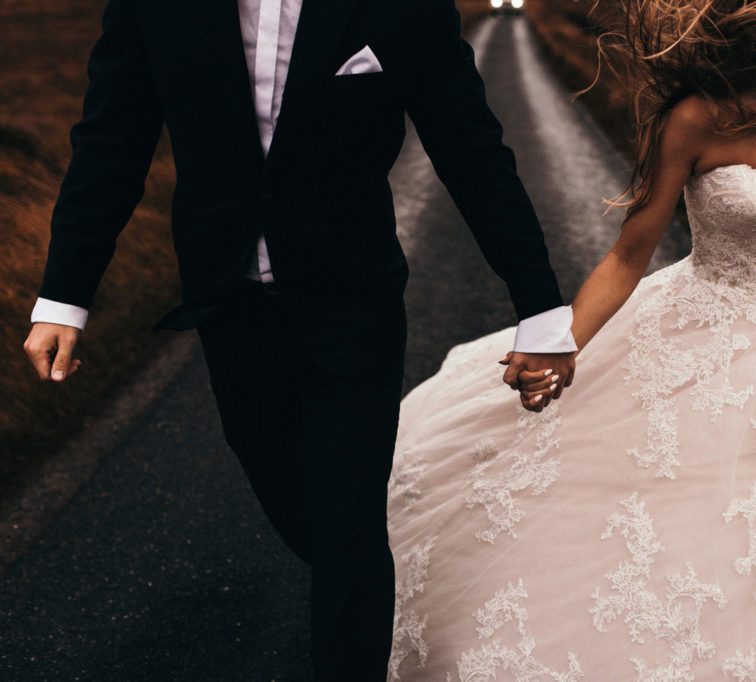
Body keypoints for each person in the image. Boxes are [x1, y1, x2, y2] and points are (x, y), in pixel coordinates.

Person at [21, 0, 578, 678]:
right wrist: (65, 296)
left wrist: (540, 308)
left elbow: (471, 150)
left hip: (354, 302)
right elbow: (113, 139)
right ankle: (363, 575)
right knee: (293, 498)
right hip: (228, 302)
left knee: (348, 523)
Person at [386, 0, 756, 678]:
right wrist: (562, 342)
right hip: (698, 325)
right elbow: (630, 254)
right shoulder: (697, 117)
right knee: (672, 512)